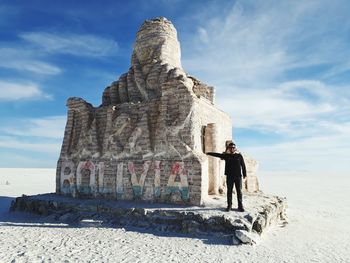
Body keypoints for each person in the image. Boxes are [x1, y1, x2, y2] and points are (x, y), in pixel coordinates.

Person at [206, 142, 247, 212]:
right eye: (230, 148)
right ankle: (229, 206)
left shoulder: (239, 156)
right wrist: (208, 153)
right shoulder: (226, 156)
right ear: (228, 148)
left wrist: (244, 174)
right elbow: (217, 155)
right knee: (229, 191)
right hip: (229, 176)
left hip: (238, 177)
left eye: (233, 148)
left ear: (235, 148)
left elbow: (243, 165)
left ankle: (240, 206)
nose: (232, 149)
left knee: (239, 192)